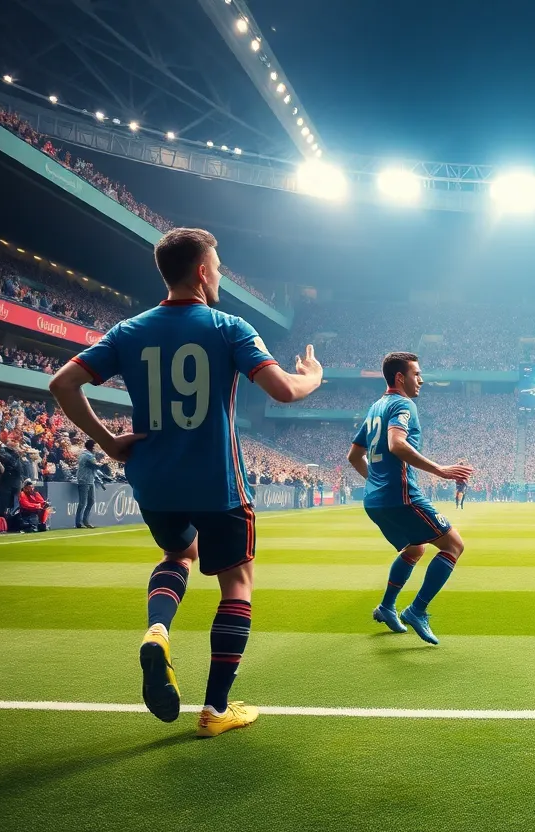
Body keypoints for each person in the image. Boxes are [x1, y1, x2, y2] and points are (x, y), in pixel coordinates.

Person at [48, 227, 322, 737]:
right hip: (217, 481)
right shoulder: (227, 326)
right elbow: (284, 391)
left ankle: (158, 630)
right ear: (201, 271)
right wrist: (315, 376)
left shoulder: (128, 331)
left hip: (155, 482)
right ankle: (215, 710)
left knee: (178, 556)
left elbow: (62, 383)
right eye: (217, 267)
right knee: (236, 583)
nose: (219, 275)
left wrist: (108, 442)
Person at [349, 352, 474, 646]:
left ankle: (386, 607)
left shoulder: (375, 408)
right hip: (401, 495)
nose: (421, 380)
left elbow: (354, 456)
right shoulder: (404, 404)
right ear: (400, 378)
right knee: (454, 545)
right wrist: (439, 470)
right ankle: (417, 610)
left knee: (416, 548)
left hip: (375, 500)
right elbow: (396, 444)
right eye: (417, 374)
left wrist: (376, 483)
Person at [75, 439, 109, 528]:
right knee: (84, 502)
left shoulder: (84, 454)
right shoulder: (88, 456)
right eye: (95, 446)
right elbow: (96, 466)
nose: (96, 448)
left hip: (89, 480)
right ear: (92, 447)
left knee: (90, 501)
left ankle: (84, 521)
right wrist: (104, 463)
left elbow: (93, 467)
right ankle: (80, 522)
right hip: (85, 480)